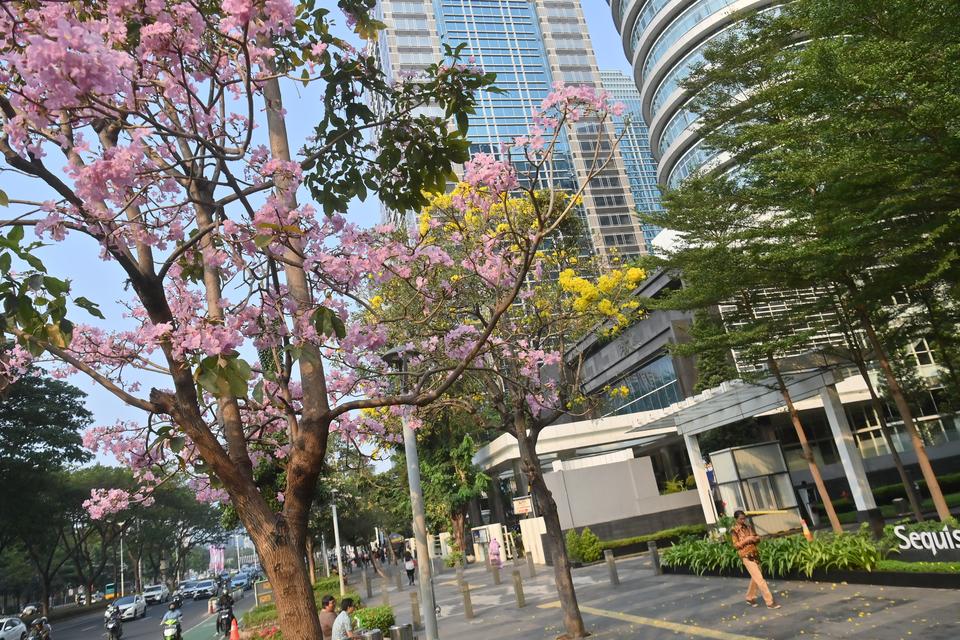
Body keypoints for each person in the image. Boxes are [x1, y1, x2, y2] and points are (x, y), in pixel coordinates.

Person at [730, 510, 780, 609]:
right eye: (741, 519)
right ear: (736, 519)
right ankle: (770, 602)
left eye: (744, 518)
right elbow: (736, 545)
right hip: (746, 556)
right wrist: (746, 540)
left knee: (755, 578)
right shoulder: (734, 530)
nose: (743, 520)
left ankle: (749, 597)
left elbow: (757, 537)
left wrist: (755, 538)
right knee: (760, 580)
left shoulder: (748, 527)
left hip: (755, 555)